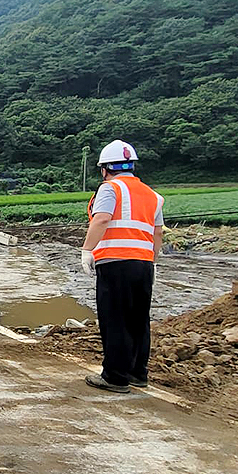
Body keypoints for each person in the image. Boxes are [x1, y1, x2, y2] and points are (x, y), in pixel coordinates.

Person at [80, 140, 164, 393]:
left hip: (115, 263)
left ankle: (115, 377)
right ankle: (137, 373)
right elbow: (157, 233)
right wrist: (153, 261)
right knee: (138, 320)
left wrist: (87, 250)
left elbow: (102, 218)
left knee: (114, 319)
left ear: (105, 169)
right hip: (143, 264)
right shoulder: (153, 195)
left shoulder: (110, 189)